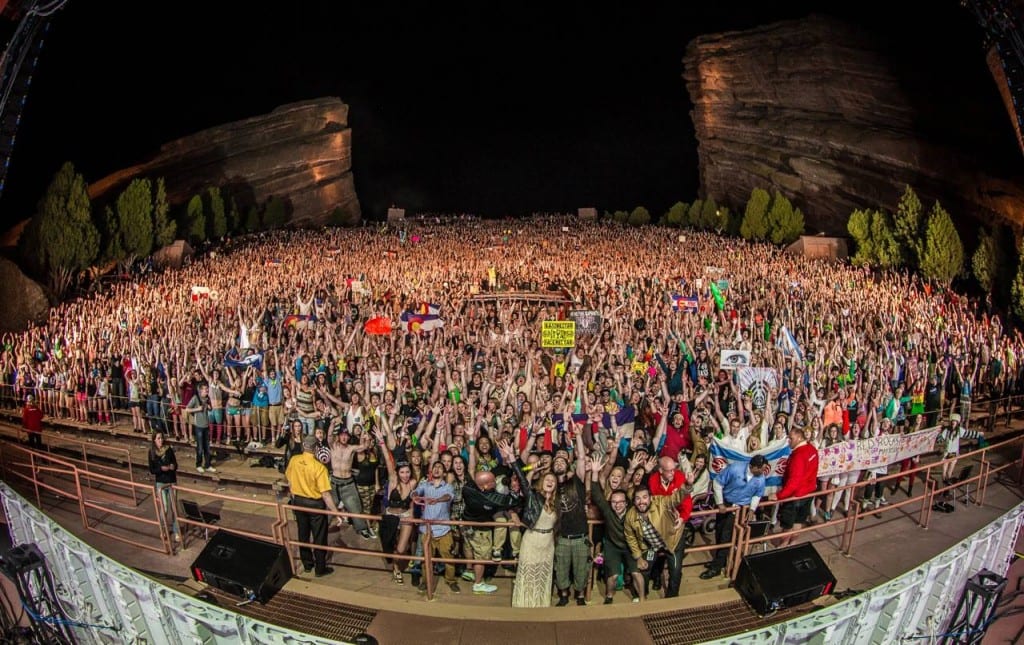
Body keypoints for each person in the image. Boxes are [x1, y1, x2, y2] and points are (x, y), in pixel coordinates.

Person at [502, 439, 558, 608]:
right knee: (528, 575)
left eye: (553, 480)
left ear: (556, 485)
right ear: (542, 482)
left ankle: (540, 605)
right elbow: (523, 480)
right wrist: (512, 458)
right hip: (532, 541)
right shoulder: (534, 497)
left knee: (542, 575)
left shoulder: (557, 503)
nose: (549, 481)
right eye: (547, 479)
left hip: (548, 544)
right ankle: (524, 605)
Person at [285, 433, 343, 577]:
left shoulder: (294, 460)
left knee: (302, 534)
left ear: (304, 446)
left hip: (299, 502)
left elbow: (289, 480)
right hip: (315, 504)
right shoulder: (319, 467)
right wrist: (336, 513)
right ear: (316, 448)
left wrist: (294, 495)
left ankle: (307, 564)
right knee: (319, 537)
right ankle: (320, 568)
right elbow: (325, 494)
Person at [700, 454, 767, 579]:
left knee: (727, 537)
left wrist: (752, 510)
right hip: (725, 504)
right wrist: (720, 503)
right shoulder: (735, 468)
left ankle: (717, 568)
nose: (764, 472)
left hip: (739, 510)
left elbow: (757, 495)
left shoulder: (761, 478)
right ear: (753, 467)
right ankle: (720, 561)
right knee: (719, 532)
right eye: (761, 469)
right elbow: (717, 483)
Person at [624, 483, 691, 600]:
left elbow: (675, 499)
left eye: (645, 497)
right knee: (643, 569)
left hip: (672, 541)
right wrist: (638, 557)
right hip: (651, 546)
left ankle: (672, 598)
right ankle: (642, 596)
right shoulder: (630, 516)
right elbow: (630, 537)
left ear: (650, 498)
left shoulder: (660, 502)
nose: (641, 502)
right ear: (634, 502)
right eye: (638, 499)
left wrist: (687, 486)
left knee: (675, 571)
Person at [412, 459, 459, 595]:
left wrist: (437, 500)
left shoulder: (448, 487)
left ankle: (451, 580)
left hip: (444, 529)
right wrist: (415, 496)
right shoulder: (425, 485)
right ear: (431, 471)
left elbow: (448, 497)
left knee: (448, 557)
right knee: (427, 558)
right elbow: (415, 492)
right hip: (427, 529)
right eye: (435, 467)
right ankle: (425, 581)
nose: (437, 469)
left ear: (444, 473)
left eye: (440, 468)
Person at [769, 427, 819, 548]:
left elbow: (794, 481)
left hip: (795, 496)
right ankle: (793, 543)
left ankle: (784, 544)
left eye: (791, 438)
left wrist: (779, 495)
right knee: (799, 520)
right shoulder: (812, 450)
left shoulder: (798, 456)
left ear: (799, 437)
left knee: (788, 524)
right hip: (808, 492)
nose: (788, 441)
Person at [148, 431, 181, 546]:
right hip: (161, 482)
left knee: (174, 508)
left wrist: (173, 466)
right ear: (154, 440)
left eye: (161, 438)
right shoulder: (152, 452)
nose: (160, 440)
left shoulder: (169, 450)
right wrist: (161, 469)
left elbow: (176, 464)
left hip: (171, 481)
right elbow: (152, 470)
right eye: (158, 438)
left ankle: (177, 532)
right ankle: (163, 529)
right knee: (165, 507)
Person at [184, 382, 215, 473]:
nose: (207, 391)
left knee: (207, 447)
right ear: (200, 390)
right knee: (200, 447)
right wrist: (197, 409)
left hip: (206, 425)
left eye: (207, 389)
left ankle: (208, 464)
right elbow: (187, 409)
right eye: (206, 389)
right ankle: (198, 464)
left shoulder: (207, 398)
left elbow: (210, 408)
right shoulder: (195, 398)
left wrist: (209, 407)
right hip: (198, 426)